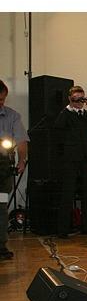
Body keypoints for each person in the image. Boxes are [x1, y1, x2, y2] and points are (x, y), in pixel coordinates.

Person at [53, 85, 87, 237]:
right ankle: (63, 229)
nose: (79, 102)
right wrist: (69, 107)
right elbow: (57, 127)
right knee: (68, 193)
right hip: (71, 159)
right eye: (76, 99)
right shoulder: (66, 114)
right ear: (70, 99)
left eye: (81, 99)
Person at [0, 79, 28, 259]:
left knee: (1, 206)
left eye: (3, 99)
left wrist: (22, 160)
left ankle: (1, 245)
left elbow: (21, 141)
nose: (1, 103)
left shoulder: (12, 116)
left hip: (2, 167)